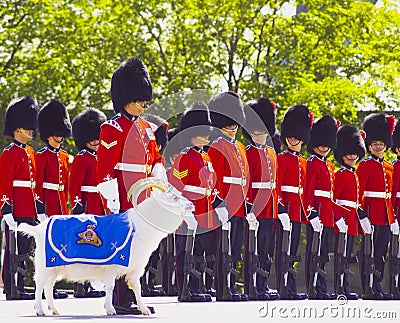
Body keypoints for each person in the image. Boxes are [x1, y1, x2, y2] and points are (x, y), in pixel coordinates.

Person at [96, 57, 166, 315]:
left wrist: (158, 172)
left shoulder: (147, 128)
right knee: (123, 244)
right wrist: (111, 197)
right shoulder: (111, 128)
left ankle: (138, 295)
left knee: (142, 246)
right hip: (123, 194)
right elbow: (104, 168)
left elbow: (156, 157)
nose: (143, 104)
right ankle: (120, 299)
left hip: (145, 194)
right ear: (126, 98)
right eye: (139, 99)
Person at [168, 101, 216, 302]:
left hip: (205, 207)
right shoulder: (185, 157)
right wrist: (185, 212)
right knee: (185, 250)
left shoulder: (205, 156)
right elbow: (176, 186)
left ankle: (197, 286)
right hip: (190, 208)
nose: (205, 136)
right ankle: (184, 288)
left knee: (200, 251)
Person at [207, 92, 249, 301]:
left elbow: (245, 178)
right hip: (225, 204)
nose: (232, 126)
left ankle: (231, 285)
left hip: (240, 205)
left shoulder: (239, 147)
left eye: (235, 122)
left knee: (235, 248)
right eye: (228, 122)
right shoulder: (217, 146)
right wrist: (219, 203)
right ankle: (223, 287)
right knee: (223, 247)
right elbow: (215, 179)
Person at [0, 96, 39, 300]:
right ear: (17, 128)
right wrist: (6, 210)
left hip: (29, 209)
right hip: (16, 210)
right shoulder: (9, 153)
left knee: (25, 250)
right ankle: (11, 287)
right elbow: (5, 183)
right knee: (12, 251)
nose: (32, 130)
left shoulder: (30, 152)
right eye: (27, 127)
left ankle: (21, 285)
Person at [357, 113, 398, 300]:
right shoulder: (364, 165)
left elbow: (390, 195)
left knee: (381, 252)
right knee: (369, 253)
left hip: (386, 216)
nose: (378, 146)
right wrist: (362, 215)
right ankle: (368, 287)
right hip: (371, 214)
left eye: (381, 143)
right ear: (370, 145)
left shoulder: (390, 167)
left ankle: (378, 284)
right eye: (375, 143)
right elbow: (359, 193)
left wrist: (393, 219)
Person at [242, 98, 280, 300]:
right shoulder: (248, 153)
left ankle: (263, 284)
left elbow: (276, 182)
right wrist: (249, 208)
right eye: (255, 131)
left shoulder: (272, 152)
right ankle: (251, 286)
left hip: (270, 207)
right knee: (253, 248)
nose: (259, 134)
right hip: (255, 207)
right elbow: (247, 182)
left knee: (266, 249)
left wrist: (279, 207)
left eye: (262, 130)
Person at [303, 115, 345, 300]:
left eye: (327, 144)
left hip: (327, 214)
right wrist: (311, 214)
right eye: (321, 143)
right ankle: (313, 287)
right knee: (314, 251)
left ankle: (321, 286)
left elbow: (331, 196)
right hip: (317, 213)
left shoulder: (328, 165)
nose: (324, 147)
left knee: (323, 253)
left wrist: (337, 216)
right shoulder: (312, 163)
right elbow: (308, 191)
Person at [275, 104, 312, 300]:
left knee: (293, 250)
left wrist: (310, 212)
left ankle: (290, 285)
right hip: (285, 210)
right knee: (283, 249)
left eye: (297, 136)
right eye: (290, 136)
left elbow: (305, 191)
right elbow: (277, 186)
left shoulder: (304, 162)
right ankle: (283, 286)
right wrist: (280, 209)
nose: (293, 139)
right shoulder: (281, 159)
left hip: (298, 212)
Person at [36, 99, 71, 299]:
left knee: (59, 246)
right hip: (47, 206)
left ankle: (53, 286)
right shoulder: (41, 156)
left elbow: (64, 186)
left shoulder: (64, 156)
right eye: (56, 133)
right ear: (48, 134)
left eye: (61, 133)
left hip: (60, 206)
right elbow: (38, 186)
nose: (59, 137)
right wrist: (41, 210)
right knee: (45, 248)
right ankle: (45, 288)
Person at [69, 107, 107, 298]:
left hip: (101, 205)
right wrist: (78, 207)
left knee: (98, 245)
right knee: (85, 245)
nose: (94, 141)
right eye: (91, 138)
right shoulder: (81, 158)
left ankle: (95, 284)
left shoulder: (102, 157)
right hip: (88, 205)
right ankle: (81, 286)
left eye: (96, 137)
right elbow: (74, 186)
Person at [332, 125, 367, 300]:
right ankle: (340, 288)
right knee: (341, 255)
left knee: (347, 255)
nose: (352, 156)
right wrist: (338, 218)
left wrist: (362, 217)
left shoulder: (354, 174)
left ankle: (345, 286)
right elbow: (334, 200)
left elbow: (356, 201)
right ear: (342, 154)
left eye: (355, 153)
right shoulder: (341, 174)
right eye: (349, 153)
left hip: (352, 220)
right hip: (343, 221)